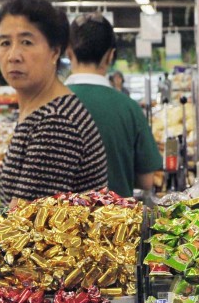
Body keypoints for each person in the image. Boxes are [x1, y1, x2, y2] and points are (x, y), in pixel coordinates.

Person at [0, 0, 108, 204]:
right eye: (5, 43)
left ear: (54, 51)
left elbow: (24, 224)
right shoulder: (40, 110)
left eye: (26, 42)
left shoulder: (56, 122)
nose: (13, 55)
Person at [66, 14, 160, 197]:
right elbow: (147, 181)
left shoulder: (48, 104)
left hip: (58, 223)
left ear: (68, 52)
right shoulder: (129, 108)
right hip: (118, 222)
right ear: (110, 56)